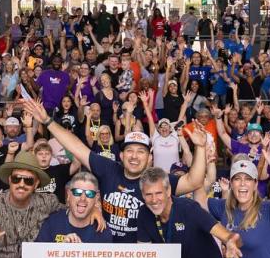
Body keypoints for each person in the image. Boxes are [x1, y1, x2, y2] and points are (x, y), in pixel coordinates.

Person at [22, 97, 206, 242]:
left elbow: (194, 181)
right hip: (105, 247)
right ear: (121, 155)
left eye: (140, 152)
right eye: (130, 151)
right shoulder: (108, 168)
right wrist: (47, 120)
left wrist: (201, 147)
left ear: (150, 158)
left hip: (142, 253)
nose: (134, 156)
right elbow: (77, 147)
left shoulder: (156, 180)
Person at [36, 171, 113, 243]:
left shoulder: (103, 231)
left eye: (89, 193)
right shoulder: (51, 223)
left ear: (96, 198)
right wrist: (60, 249)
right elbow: (37, 255)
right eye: (77, 192)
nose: (83, 198)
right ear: (69, 195)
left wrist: (81, 252)